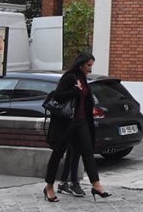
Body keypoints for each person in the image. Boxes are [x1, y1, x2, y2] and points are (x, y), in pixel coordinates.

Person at [42, 52, 111, 202]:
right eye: (88, 65)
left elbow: (84, 100)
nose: (90, 69)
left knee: (87, 152)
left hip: (81, 122)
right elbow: (58, 96)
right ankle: (49, 186)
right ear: (81, 64)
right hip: (66, 124)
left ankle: (96, 185)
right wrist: (75, 91)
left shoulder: (83, 79)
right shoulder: (69, 77)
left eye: (91, 66)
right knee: (58, 154)